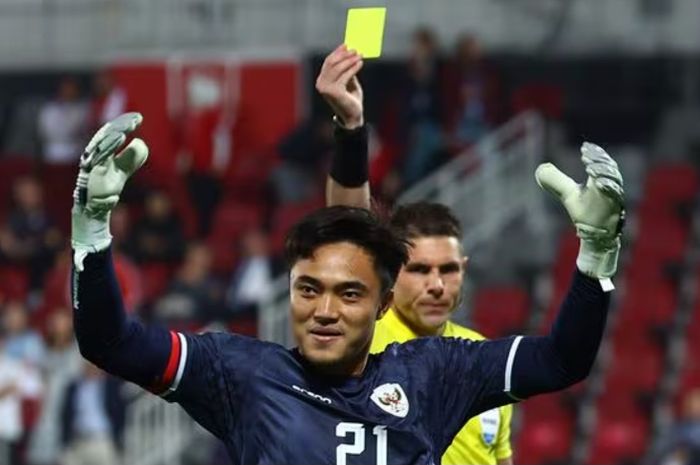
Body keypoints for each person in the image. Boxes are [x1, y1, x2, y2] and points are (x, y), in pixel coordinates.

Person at [69, 111, 623, 465]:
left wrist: (595, 255)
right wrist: (92, 231)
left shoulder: (435, 374)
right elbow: (110, 342)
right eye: (307, 289)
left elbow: (561, 360)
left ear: (383, 302)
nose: (323, 310)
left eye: (348, 294)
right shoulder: (241, 375)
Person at [317, 44, 513, 465]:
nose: (436, 284)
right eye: (420, 269)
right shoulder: (362, 337)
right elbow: (348, 225)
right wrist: (351, 126)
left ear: (464, 270)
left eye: (447, 270)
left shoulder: (483, 356)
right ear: (390, 273)